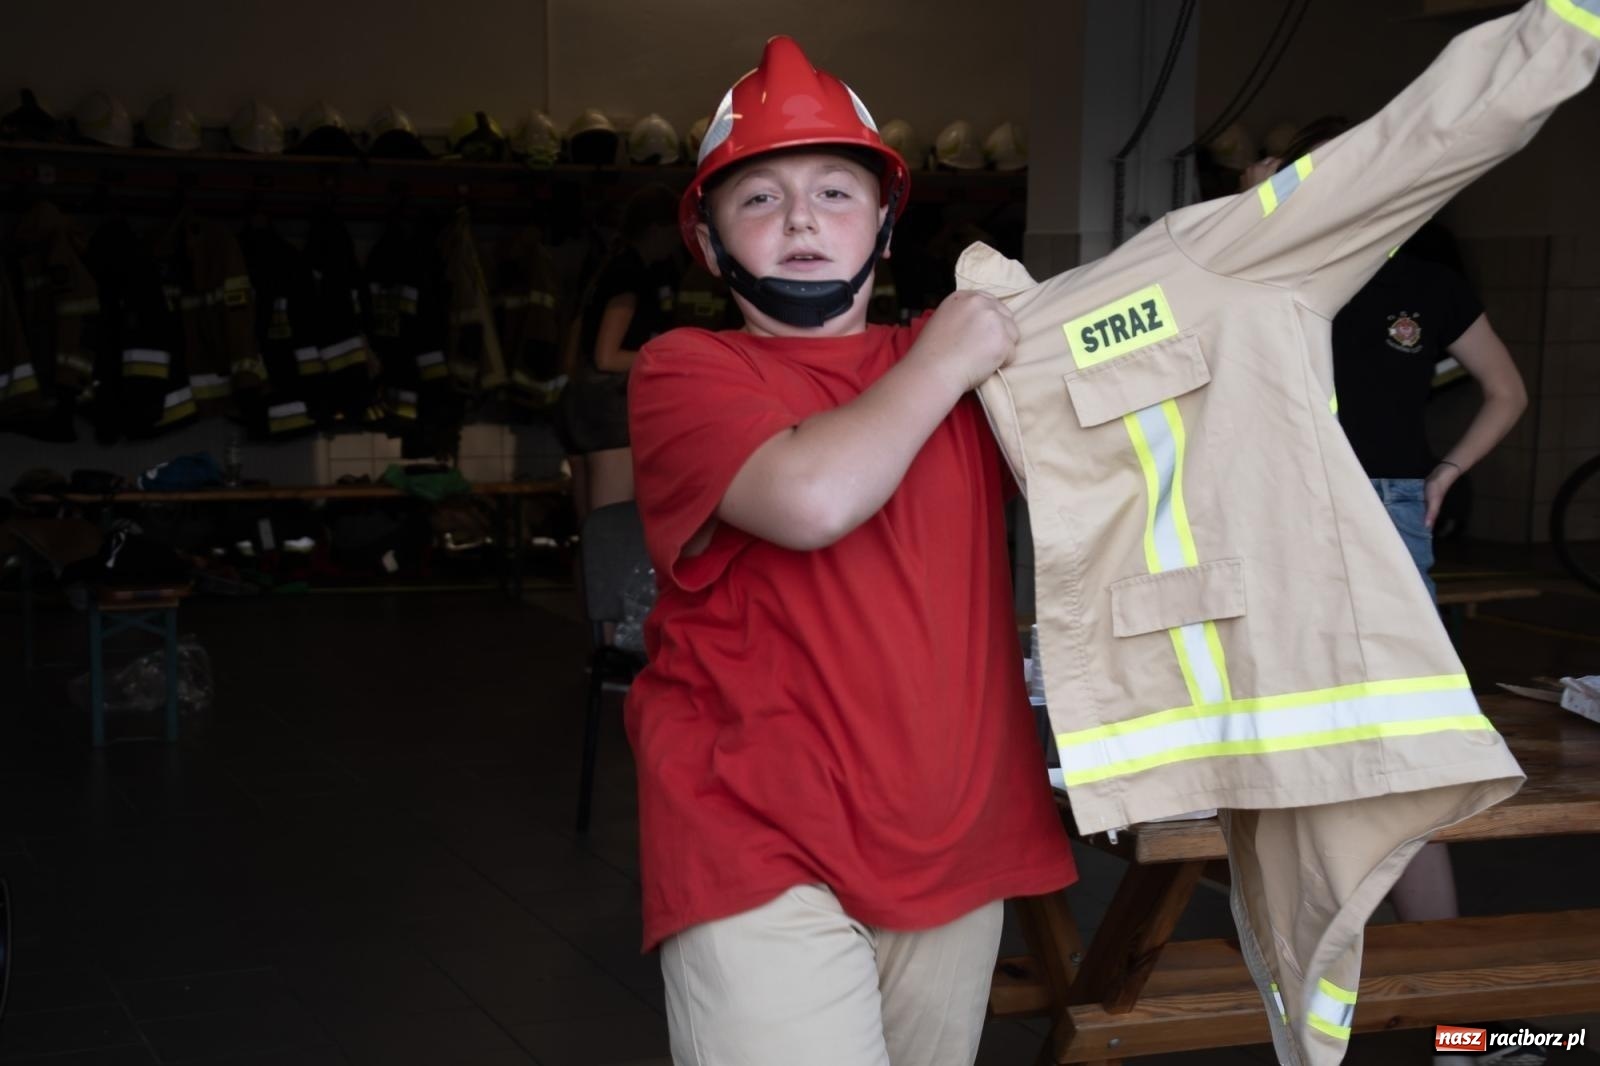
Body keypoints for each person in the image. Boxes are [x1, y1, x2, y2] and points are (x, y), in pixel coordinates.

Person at [624, 37, 1077, 1066]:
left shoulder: (967, 373)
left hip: (948, 831)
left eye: (834, 190)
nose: (798, 221)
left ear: (881, 222)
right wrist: (952, 354)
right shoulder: (684, 370)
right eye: (758, 198)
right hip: (754, 835)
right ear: (705, 238)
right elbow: (812, 495)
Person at [1248, 119, 1531, 1066]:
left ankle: (1463, 1026)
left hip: (1376, 514)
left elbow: (1506, 391)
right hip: (1290, 516)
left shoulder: (1415, 279)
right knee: (1338, 766)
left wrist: (1444, 473)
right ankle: (1421, 1024)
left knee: (1399, 762)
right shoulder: (1263, 271)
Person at [562, 183, 682, 519]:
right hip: (607, 409)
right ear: (657, 230)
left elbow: (574, 354)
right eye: (674, 232)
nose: (677, 241)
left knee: (590, 533)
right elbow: (607, 356)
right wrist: (673, 356)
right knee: (609, 527)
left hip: (581, 403)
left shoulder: (609, 266)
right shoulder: (629, 273)